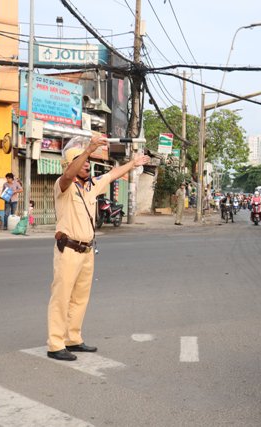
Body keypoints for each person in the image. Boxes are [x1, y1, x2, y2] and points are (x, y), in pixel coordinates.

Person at [47, 135, 150, 361]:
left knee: (80, 298)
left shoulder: (91, 186)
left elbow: (113, 174)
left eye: (87, 161)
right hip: (68, 250)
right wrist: (88, 148)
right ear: (70, 164)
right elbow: (68, 176)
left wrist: (133, 163)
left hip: (86, 251)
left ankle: (72, 338)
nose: (86, 163)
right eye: (81, 160)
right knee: (61, 297)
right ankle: (55, 344)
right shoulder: (62, 185)